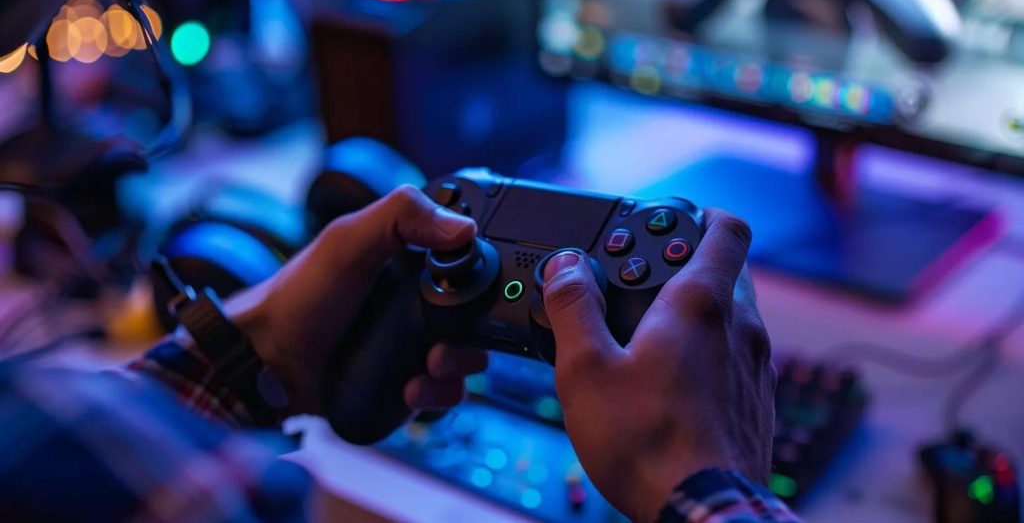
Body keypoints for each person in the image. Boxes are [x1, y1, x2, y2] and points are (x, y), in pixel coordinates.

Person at [0, 186, 797, 522]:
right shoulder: (231, 496)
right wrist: (713, 483)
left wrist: (252, 357)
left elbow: (81, 433)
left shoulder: (37, 416)